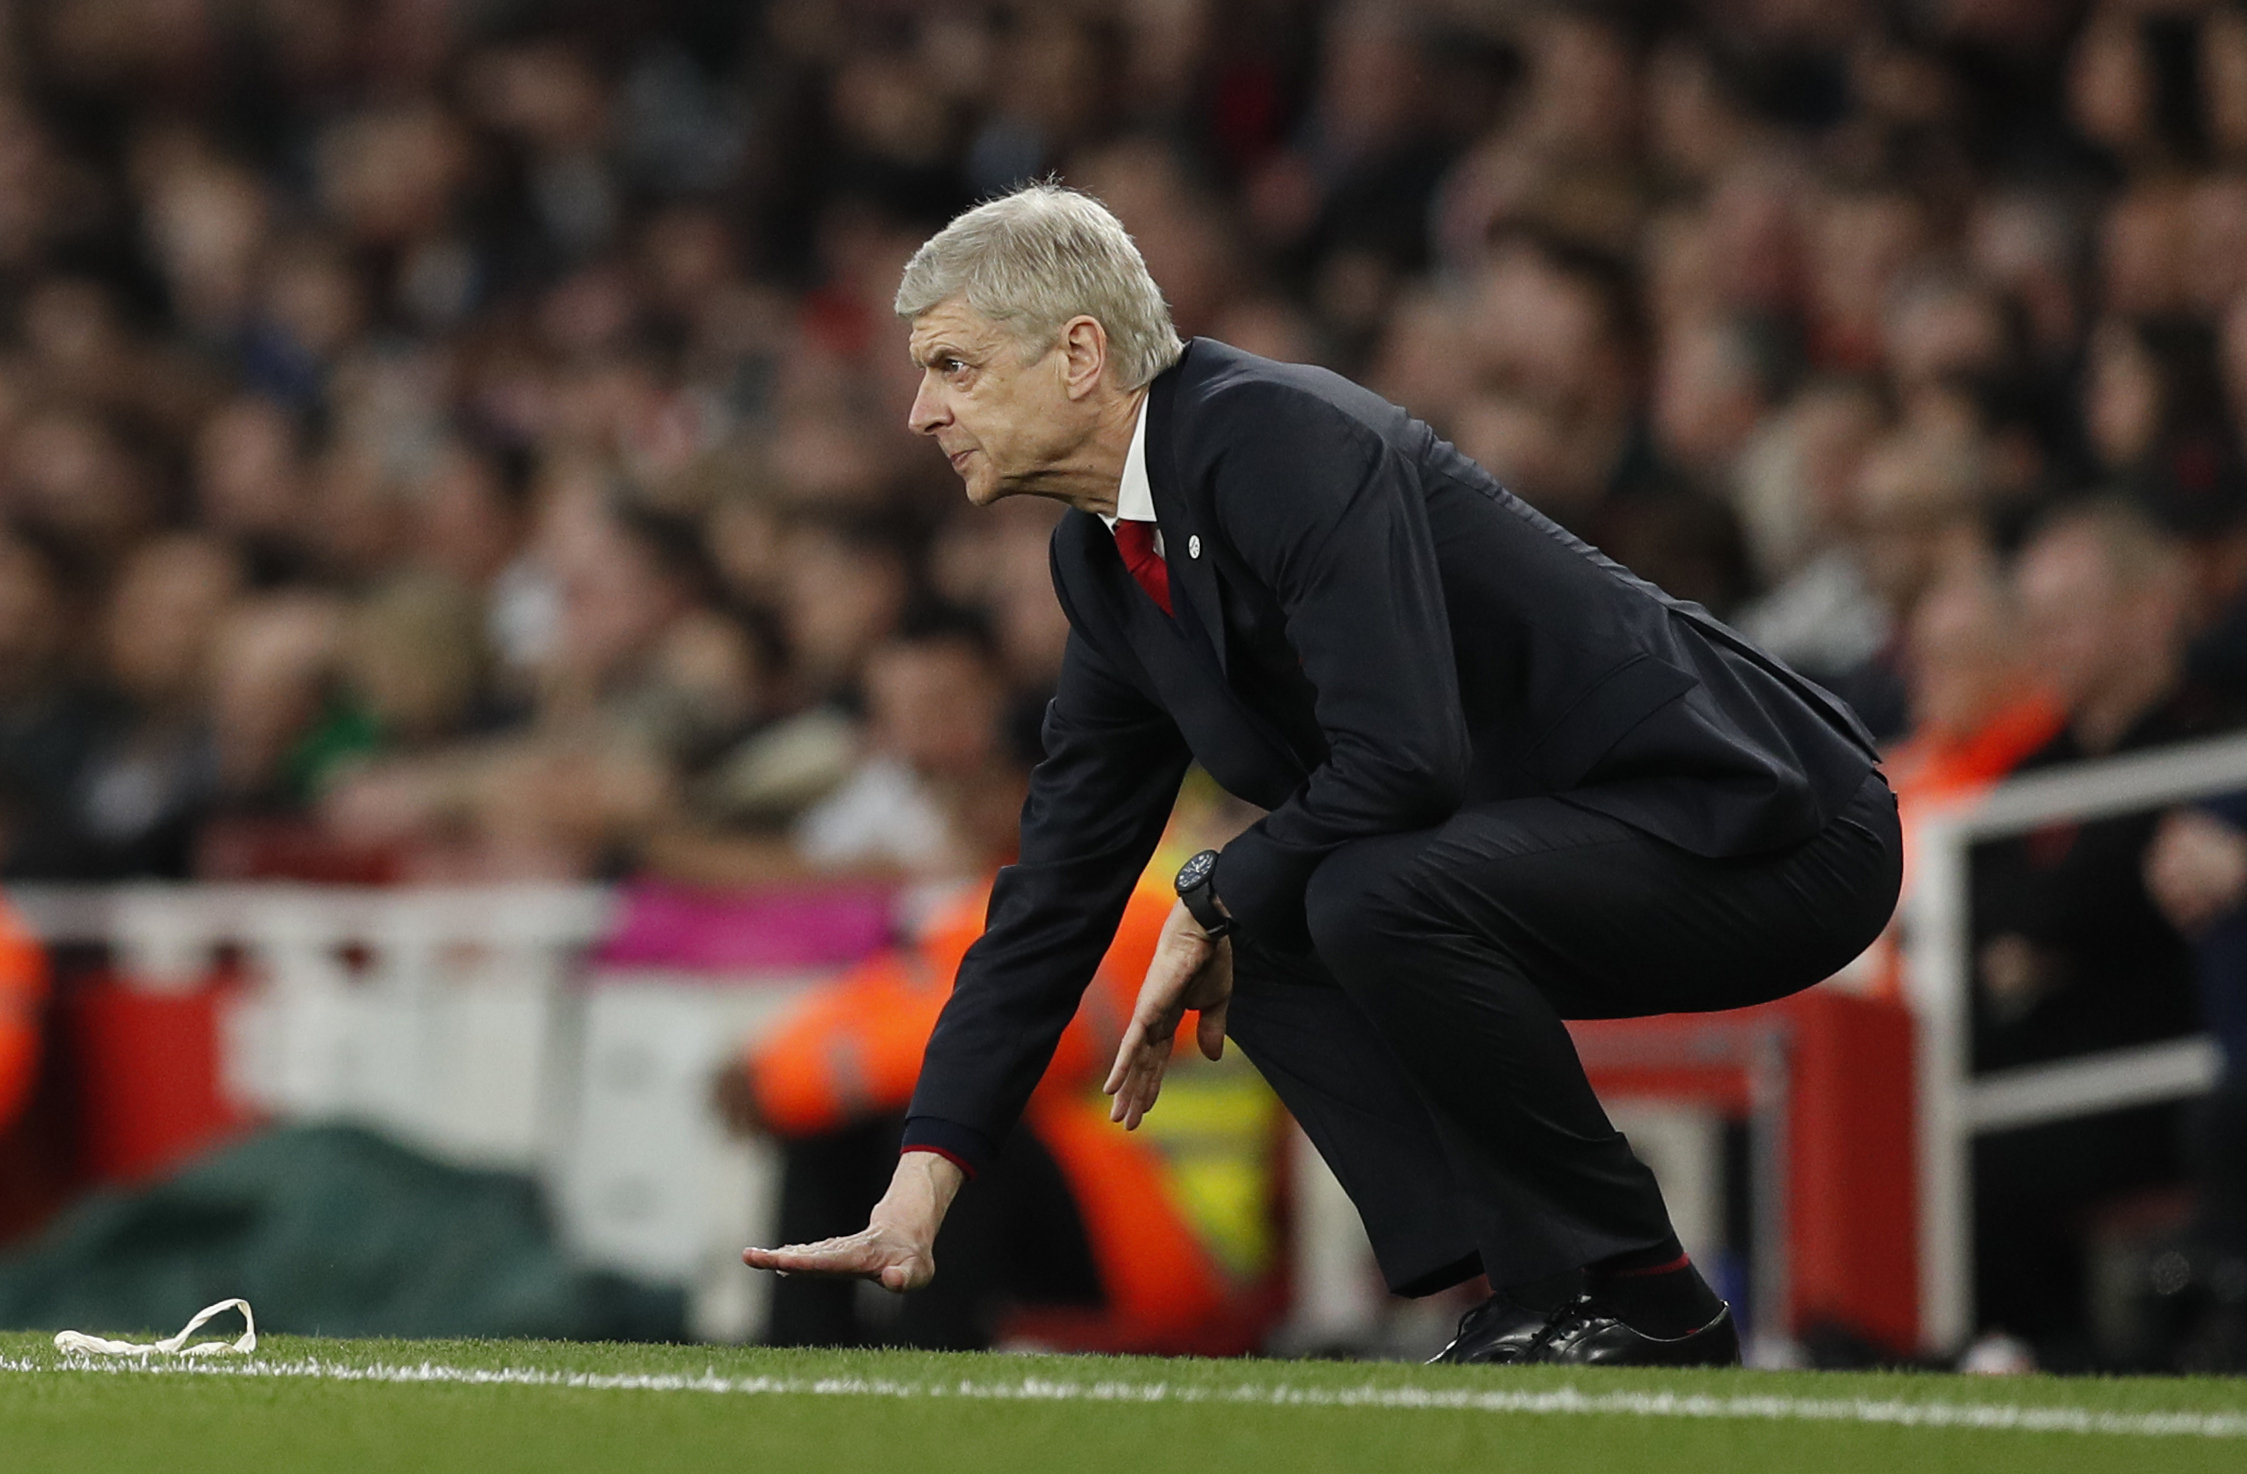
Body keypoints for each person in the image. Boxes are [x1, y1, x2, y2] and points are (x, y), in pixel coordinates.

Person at [744, 184, 1902, 1368]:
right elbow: (1053, 895)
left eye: (951, 366)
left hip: (1768, 823)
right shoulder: (1104, 561)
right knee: (1300, 901)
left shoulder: (1274, 436)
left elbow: (1404, 757)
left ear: (1080, 352)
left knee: (1331, 894)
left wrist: (1211, 891)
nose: (919, 411)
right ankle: (1539, 1287)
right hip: (1588, 834)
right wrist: (922, 1185)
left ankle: (1644, 1288)